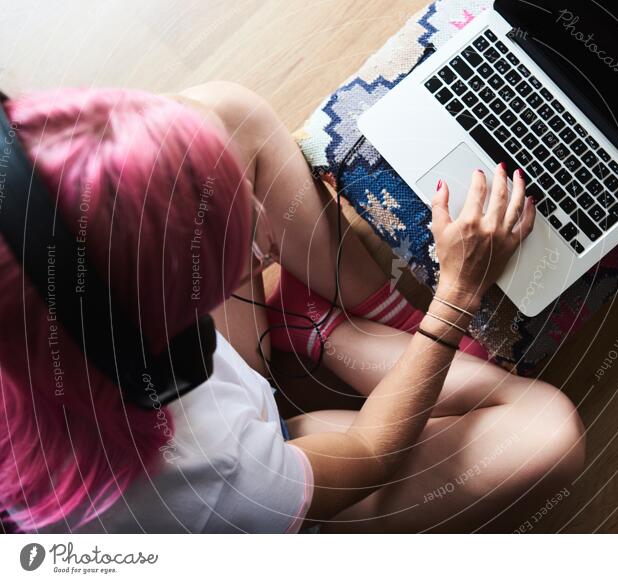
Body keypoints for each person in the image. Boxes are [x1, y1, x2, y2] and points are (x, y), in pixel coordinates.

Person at [0, 83, 584, 533]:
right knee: (545, 433)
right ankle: (331, 334)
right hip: (267, 493)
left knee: (225, 113)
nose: (256, 219)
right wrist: (457, 295)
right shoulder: (213, 477)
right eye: (222, 254)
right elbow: (368, 454)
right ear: (174, 347)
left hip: (193, 405)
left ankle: (328, 324)